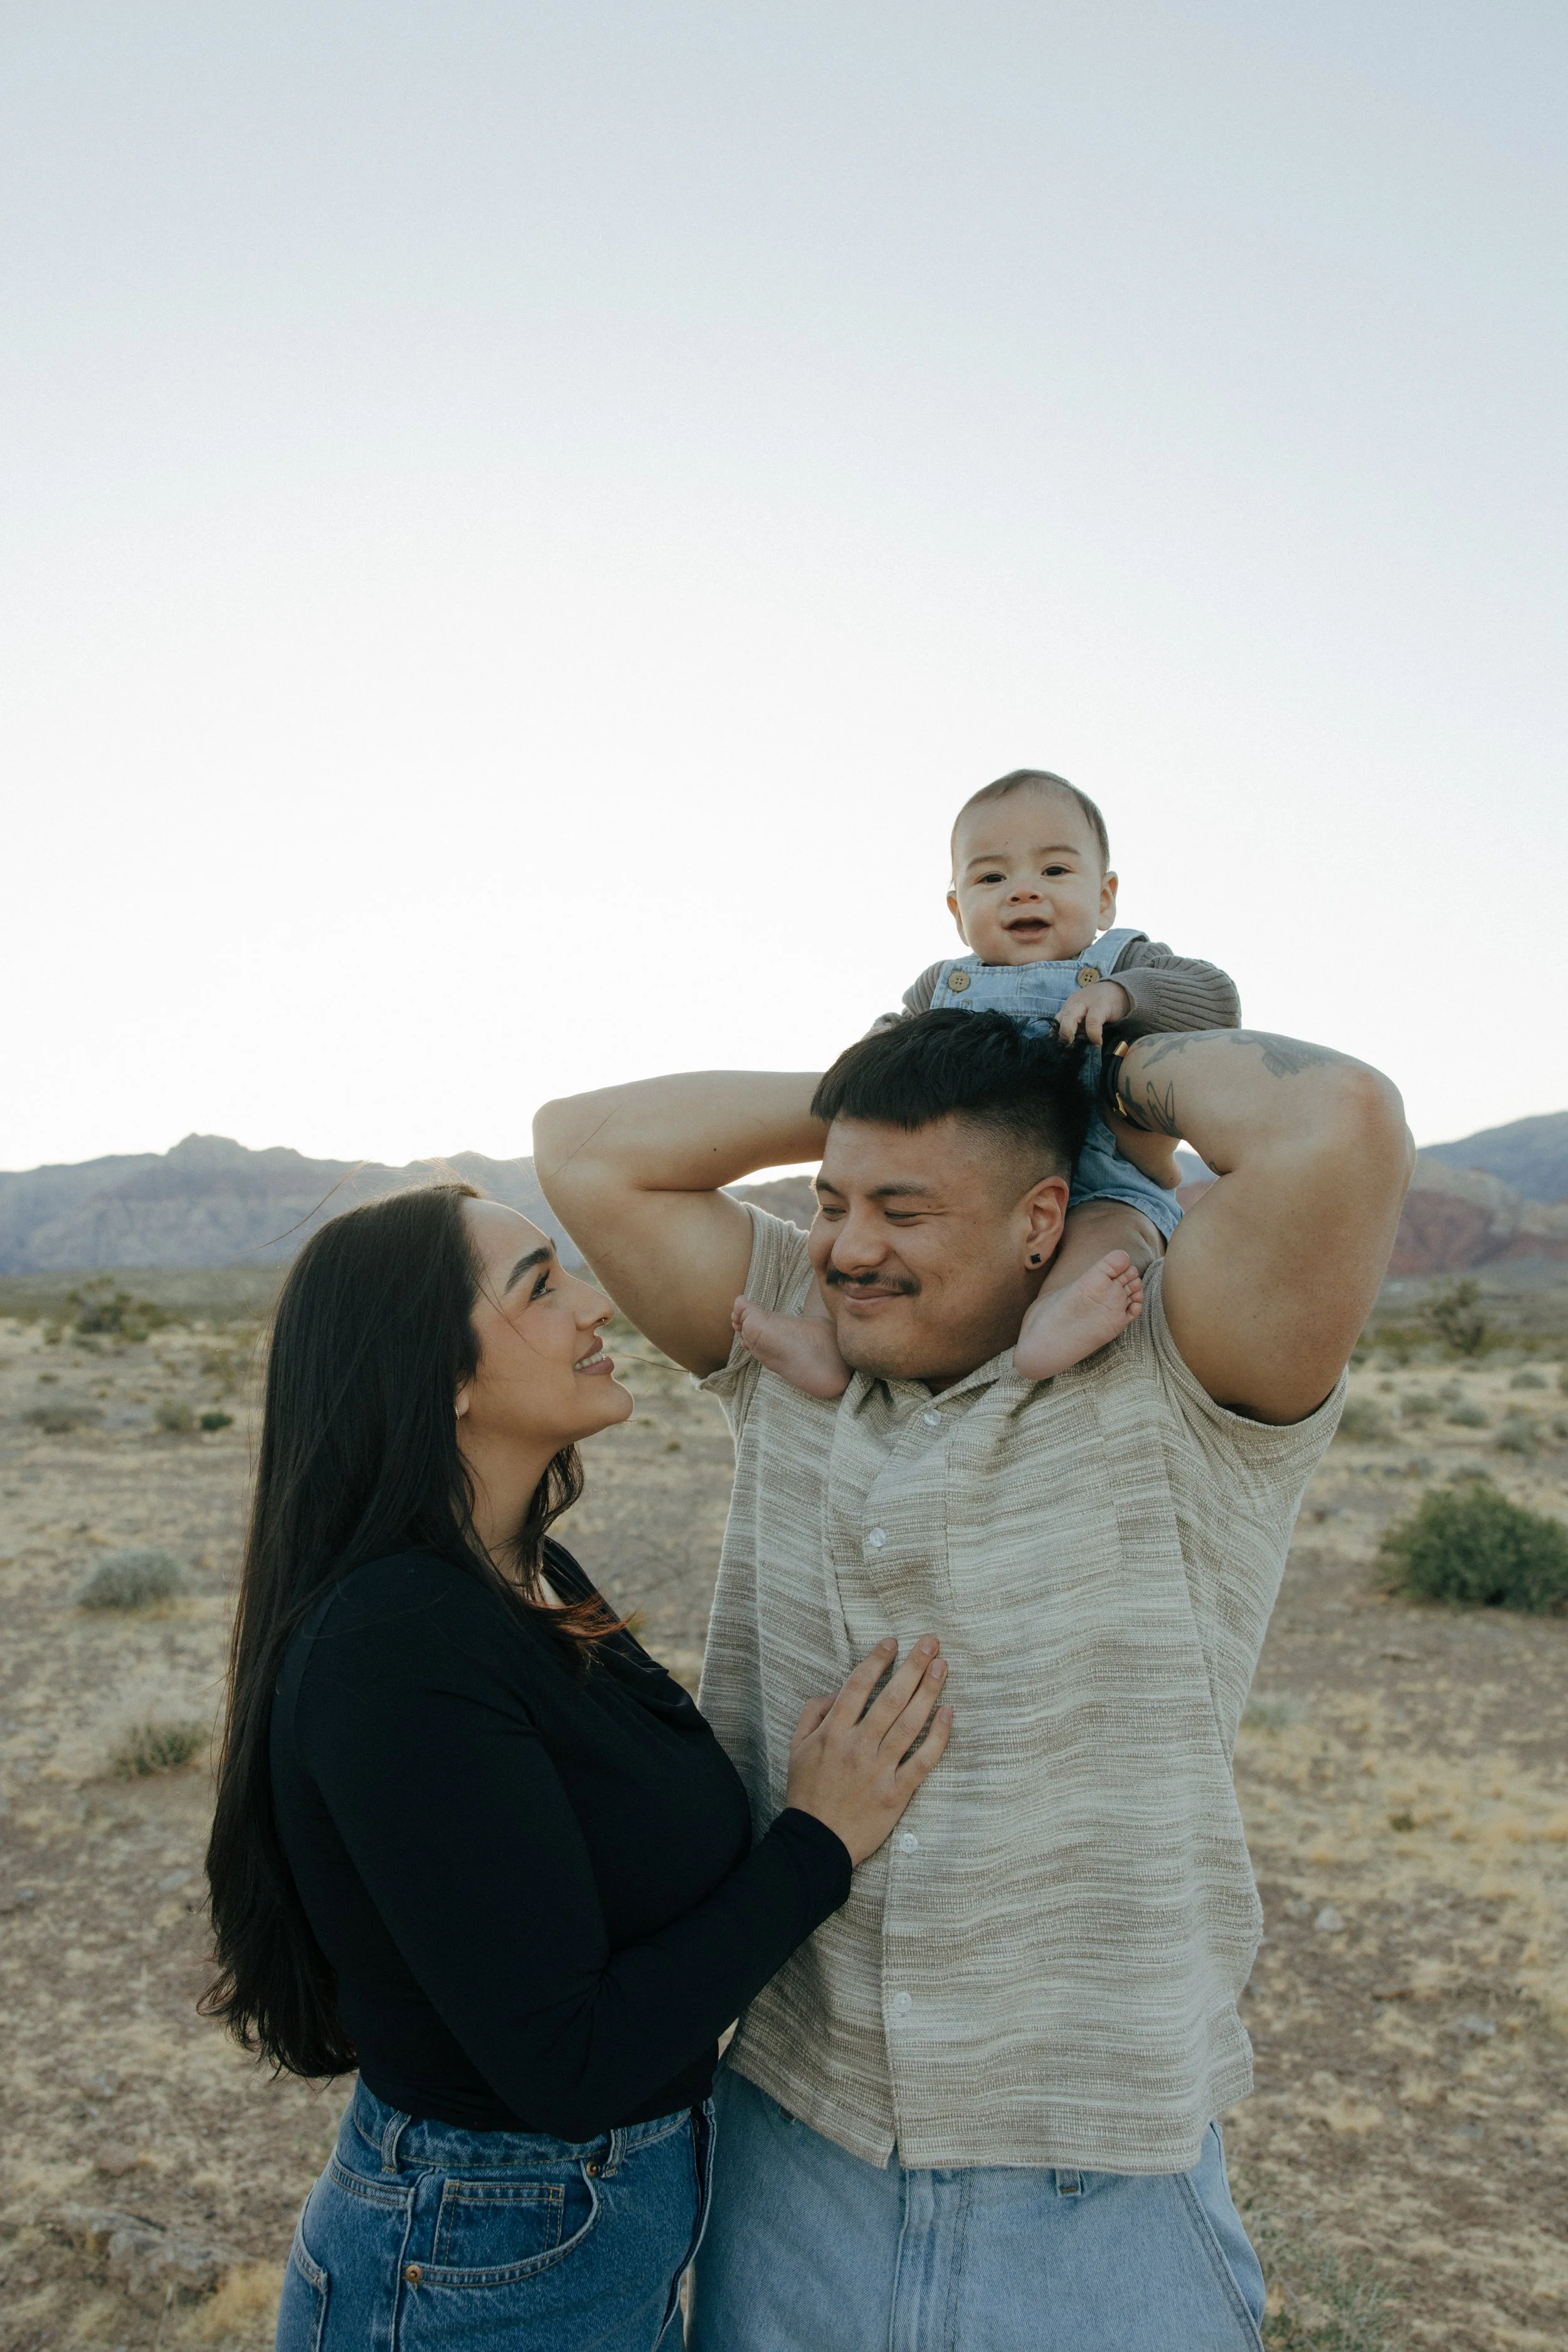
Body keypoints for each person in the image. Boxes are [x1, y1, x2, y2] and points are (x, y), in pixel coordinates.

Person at [534, 1006, 1411, 2352]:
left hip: (1092, 2198)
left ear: (1041, 1219)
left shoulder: (1175, 1361)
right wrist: (884, 1081)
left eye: (904, 1210)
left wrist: (1088, 1072)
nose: (848, 1248)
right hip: (793, 2155)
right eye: (832, 1203)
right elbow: (584, 1149)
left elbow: (1335, 1124)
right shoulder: (798, 1342)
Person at [201, 1182, 951, 2352]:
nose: (598, 1304)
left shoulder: (532, 1577)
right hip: (482, 2264)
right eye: (541, 1287)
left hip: (580, 2235)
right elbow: (571, 2061)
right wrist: (819, 1842)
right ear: (441, 1374)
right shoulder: (398, 1642)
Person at [732, 766, 1239, 1396]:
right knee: (851, 1237)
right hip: (975, 1193)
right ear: (956, 910)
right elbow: (892, 1042)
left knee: (1117, 1235)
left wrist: (1123, 996)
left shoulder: (1126, 961)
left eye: (1054, 871)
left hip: (1107, 1177)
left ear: (1105, 897)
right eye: (991, 878)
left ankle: (1056, 1320)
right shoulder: (945, 985)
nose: (1023, 892)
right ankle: (819, 1338)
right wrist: (869, 1054)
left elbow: (1215, 1000)